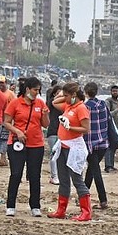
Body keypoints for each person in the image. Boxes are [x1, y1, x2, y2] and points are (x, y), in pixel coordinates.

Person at [3, 77, 49, 217]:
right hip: (17, 143)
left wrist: (45, 114)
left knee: (35, 175)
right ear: (28, 89)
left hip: (36, 144)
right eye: (35, 89)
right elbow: (6, 122)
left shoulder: (40, 103)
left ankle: (35, 206)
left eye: (39, 90)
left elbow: (45, 124)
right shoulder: (16, 103)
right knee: (16, 174)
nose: (37, 92)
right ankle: (10, 205)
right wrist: (17, 131)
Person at [48, 82, 92, 221]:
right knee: (63, 179)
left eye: (67, 95)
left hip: (75, 147)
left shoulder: (81, 108)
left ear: (74, 95)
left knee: (77, 179)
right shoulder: (69, 105)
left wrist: (70, 127)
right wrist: (63, 94)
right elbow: (54, 102)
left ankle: (86, 212)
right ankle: (61, 210)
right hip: (64, 145)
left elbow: (86, 129)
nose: (65, 98)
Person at [83, 82, 110, 210]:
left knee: (95, 171)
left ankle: (103, 199)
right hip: (104, 143)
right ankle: (83, 195)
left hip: (91, 144)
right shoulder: (103, 104)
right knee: (92, 170)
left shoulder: (86, 107)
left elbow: (87, 130)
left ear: (86, 93)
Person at [45, 84, 63, 184]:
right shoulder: (51, 103)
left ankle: (58, 175)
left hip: (62, 132)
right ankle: (54, 176)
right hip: (53, 131)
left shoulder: (64, 105)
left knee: (61, 156)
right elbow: (52, 102)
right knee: (54, 154)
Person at [104, 85, 118, 173]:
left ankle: (111, 165)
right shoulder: (108, 101)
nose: (115, 93)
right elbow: (108, 114)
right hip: (110, 127)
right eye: (113, 91)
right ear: (111, 92)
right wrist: (117, 109)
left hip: (116, 127)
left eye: (116, 91)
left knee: (114, 146)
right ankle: (108, 166)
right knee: (109, 147)